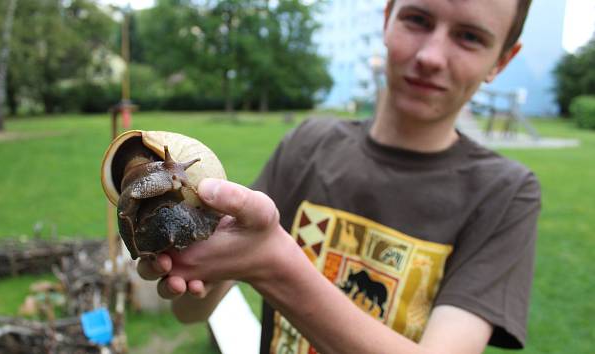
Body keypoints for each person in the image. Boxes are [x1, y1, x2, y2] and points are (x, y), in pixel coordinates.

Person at [137, 0, 541, 353]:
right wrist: (193, 265)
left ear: (502, 60)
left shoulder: (506, 195)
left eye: (469, 37)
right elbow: (190, 310)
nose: (432, 55)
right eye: (417, 19)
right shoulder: (307, 146)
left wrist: (275, 268)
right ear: (387, 19)